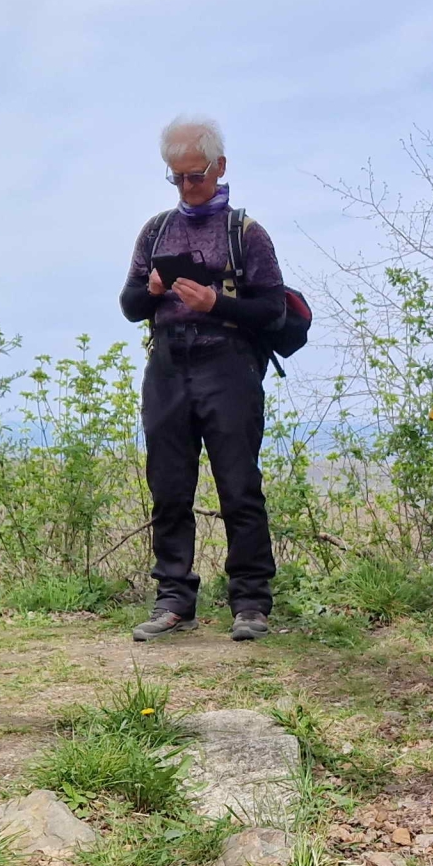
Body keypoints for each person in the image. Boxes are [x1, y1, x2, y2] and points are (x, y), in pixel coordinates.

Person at [121, 115, 284, 642]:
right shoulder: (156, 230)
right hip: (167, 365)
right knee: (168, 487)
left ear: (220, 167)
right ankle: (174, 600)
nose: (187, 186)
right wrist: (151, 290)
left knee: (239, 486)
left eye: (196, 175)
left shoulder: (246, 233)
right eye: (178, 177)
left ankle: (251, 602)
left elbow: (274, 309)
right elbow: (129, 306)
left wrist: (217, 304)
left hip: (228, 364)